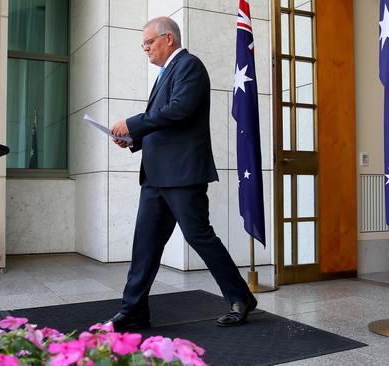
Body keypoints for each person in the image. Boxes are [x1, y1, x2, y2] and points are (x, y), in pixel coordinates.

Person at [107, 16, 257, 331]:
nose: (145, 49)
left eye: (148, 42)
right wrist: (133, 140)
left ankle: (240, 297)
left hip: (182, 174)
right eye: (143, 45)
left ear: (168, 39)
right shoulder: (165, 73)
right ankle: (133, 310)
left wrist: (132, 124)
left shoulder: (190, 66)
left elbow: (178, 110)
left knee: (199, 236)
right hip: (155, 176)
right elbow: (162, 122)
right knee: (144, 244)